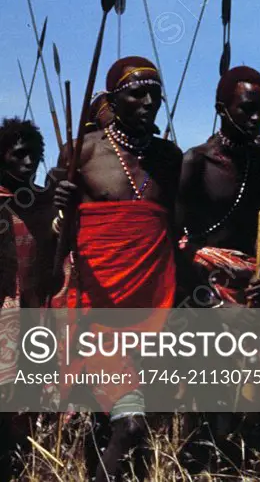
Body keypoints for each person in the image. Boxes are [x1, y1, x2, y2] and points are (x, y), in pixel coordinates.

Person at [53, 57, 182, 482]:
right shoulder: (82, 152)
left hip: (154, 309)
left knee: (124, 424)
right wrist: (59, 199)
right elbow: (60, 235)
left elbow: (174, 229)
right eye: (137, 93)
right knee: (130, 423)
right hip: (97, 309)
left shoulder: (168, 156)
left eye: (155, 94)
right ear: (111, 99)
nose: (149, 102)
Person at [175, 65, 260, 470]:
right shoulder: (195, 162)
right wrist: (204, 296)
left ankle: (242, 465)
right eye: (247, 109)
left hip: (252, 289)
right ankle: (199, 463)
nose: (256, 118)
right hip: (202, 289)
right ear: (222, 109)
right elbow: (173, 244)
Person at [0, 118, 59, 482]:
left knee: (33, 405)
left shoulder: (44, 202)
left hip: (38, 315)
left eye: (34, 156)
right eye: (19, 155)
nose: (28, 163)